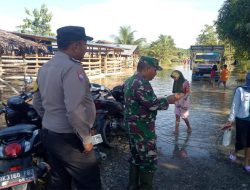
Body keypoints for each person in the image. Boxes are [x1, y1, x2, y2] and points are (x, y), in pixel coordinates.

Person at [33, 26, 101, 189]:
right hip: (69, 138)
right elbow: (75, 109)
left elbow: (37, 102)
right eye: (85, 44)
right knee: (89, 182)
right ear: (75, 45)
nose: (86, 49)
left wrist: (51, 120)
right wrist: (86, 139)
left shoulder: (44, 68)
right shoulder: (72, 68)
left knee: (60, 179)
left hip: (50, 134)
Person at [124, 56, 175, 190]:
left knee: (135, 157)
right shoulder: (142, 83)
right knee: (148, 160)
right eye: (155, 70)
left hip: (131, 127)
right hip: (142, 129)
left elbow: (142, 102)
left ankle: (132, 185)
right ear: (147, 69)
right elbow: (152, 105)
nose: (156, 73)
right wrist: (168, 100)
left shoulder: (130, 81)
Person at [223, 72, 250, 172]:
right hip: (242, 119)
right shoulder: (240, 90)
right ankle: (235, 152)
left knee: (249, 143)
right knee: (241, 141)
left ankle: (246, 162)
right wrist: (230, 120)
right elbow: (235, 106)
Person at [170, 70, 192, 134]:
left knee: (184, 117)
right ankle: (176, 130)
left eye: (175, 77)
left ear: (179, 76)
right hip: (177, 100)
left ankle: (189, 127)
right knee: (177, 115)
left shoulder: (185, 82)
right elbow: (174, 91)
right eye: (173, 78)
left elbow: (188, 92)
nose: (174, 79)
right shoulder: (175, 82)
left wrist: (182, 96)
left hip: (184, 101)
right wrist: (175, 99)